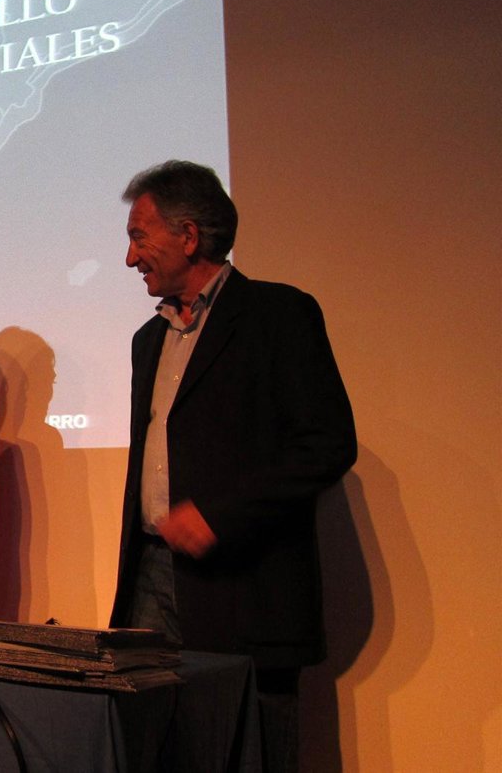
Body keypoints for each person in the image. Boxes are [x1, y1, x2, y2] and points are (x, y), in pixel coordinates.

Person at [109, 160, 357, 773]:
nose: (130, 257)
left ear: (189, 236)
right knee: (156, 753)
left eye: (139, 237)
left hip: (246, 590)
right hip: (151, 583)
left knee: (252, 754)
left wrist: (218, 516)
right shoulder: (148, 339)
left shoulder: (279, 315)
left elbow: (325, 444)